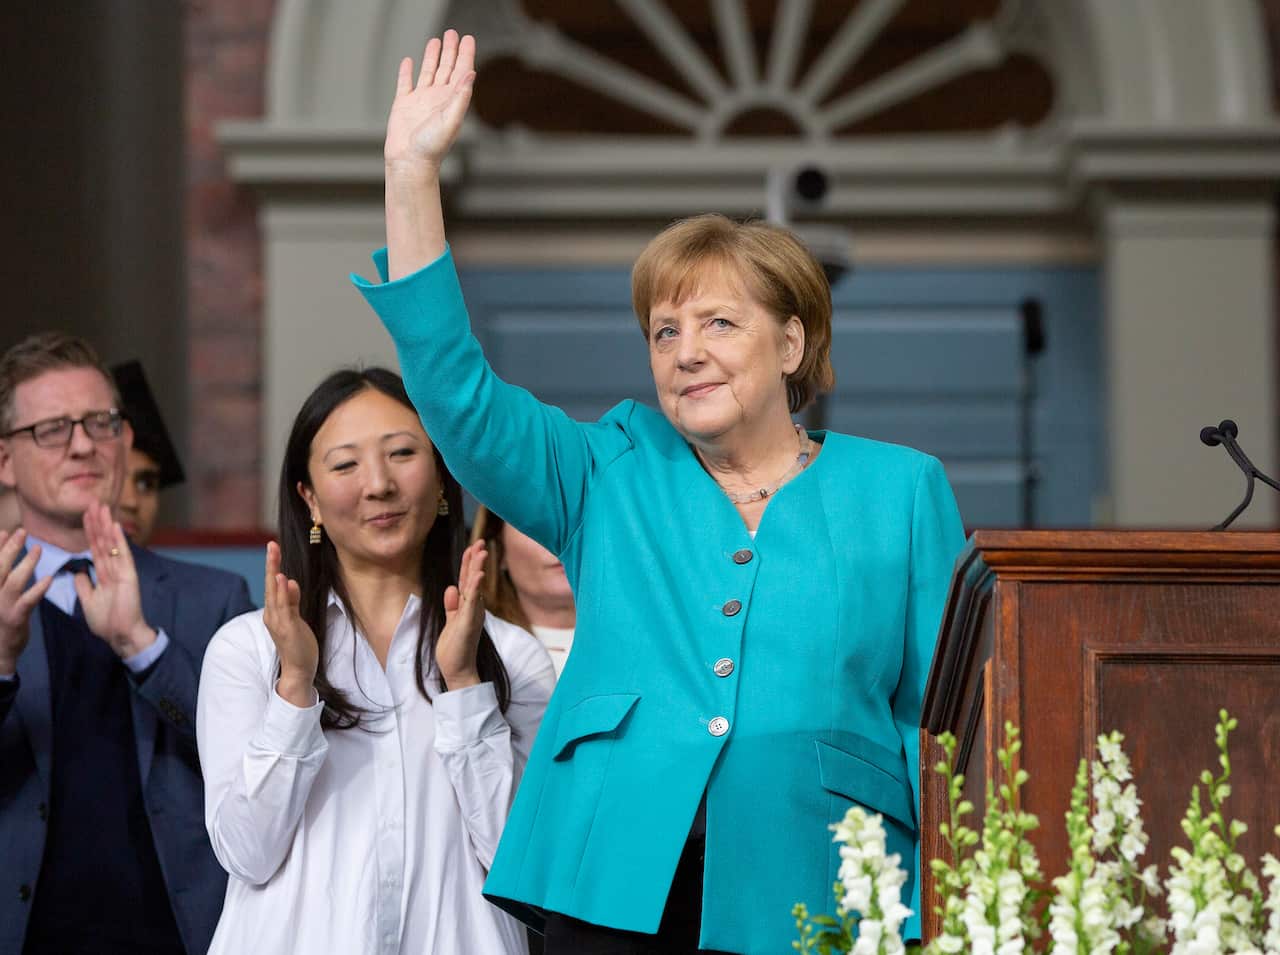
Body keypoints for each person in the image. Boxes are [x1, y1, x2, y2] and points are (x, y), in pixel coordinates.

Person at [356, 32, 966, 955]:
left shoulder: (901, 488)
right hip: (617, 873)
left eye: (719, 322)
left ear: (792, 346)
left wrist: (957, 894)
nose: (685, 351)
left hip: (827, 872)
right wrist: (410, 173)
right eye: (664, 329)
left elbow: (948, 718)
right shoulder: (608, 467)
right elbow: (458, 398)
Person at [196, 368, 555, 955]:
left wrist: (464, 685)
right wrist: (294, 688)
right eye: (345, 465)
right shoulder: (247, 650)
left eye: (403, 453)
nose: (379, 484)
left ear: (442, 476)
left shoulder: (511, 656)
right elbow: (247, 853)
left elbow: (526, 864)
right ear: (307, 497)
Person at [0, 332, 255, 955]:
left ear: (127, 440)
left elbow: (261, 770)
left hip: (184, 936)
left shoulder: (214, 599)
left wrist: (143, 646)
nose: (83, 444)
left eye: (101, 422)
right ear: (4, 461)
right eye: (52, 429)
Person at [472, 506, 575, 677]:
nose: (559, 540)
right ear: (498, 549)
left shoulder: (631, 641)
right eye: (536, 527)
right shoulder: (476, 652)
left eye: (574, 523)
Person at [112, 360, 186, 546]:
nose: (131, 502)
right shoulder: (35, 573)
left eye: (146, 484)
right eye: (114, 479)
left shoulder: (204, 576)